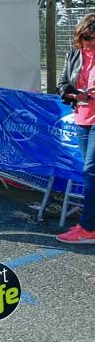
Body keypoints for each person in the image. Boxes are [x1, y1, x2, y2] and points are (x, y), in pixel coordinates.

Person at [56, 14, 95, 243]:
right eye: (86, 37)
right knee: (90, 172)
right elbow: (62, 84)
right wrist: (74, 94)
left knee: (91, 171)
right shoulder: (74, 55)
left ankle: (88, 226)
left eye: (93, 38)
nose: (90, 42)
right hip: (82, 118)